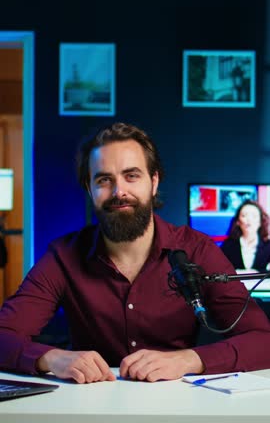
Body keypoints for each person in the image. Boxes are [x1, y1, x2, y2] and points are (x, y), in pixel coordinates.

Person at [1, 123, 270, 384]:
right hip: (89, 407)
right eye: (104, 179)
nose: (119, 192)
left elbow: (263, 339)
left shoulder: (196, 249)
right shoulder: (62, 256)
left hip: (178, 407)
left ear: (153, 182)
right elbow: (4, 335)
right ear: (89, 189)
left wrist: (188, 360)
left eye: (132, 176)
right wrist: (50, 358)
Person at [221, 200, 270, 271]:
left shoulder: (268, 245)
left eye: (254, 216)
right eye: (244, 215)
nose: (249, 219)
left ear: (260, 222)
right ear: (238, 221)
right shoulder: (228, 245)